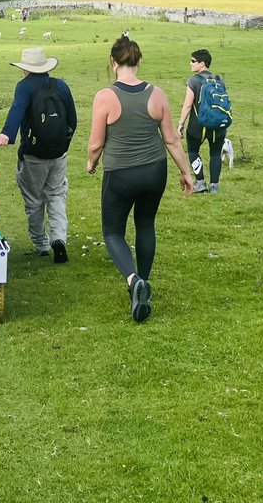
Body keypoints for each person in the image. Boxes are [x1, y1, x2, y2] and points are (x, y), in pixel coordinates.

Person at [86, 37, 195, 322]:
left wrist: (91, 163)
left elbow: (96, 144)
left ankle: (134, 282)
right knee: (145, 223)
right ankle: (144, 282)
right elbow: (171, 140)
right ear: (139, 62)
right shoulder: (156, 94)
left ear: (113, 62)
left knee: (112, 232)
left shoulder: (105, 96)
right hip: (154, 170)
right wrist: (186, 172)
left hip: (120, 173)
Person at [0, 46, 77, 263]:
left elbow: (17, 110)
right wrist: (63, 144)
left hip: (33, 155)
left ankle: (41, 244)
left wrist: (6, 135)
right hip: (59, 154)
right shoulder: (61, 86)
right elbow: (72, 121)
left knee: (34, 200)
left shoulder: (25, 86)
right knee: (57, 195)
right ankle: (59, 238)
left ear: (26, 69)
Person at [178, 48, 229, 194]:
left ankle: (200, 182)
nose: (190, 64)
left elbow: (188, 105)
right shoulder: (219, 80)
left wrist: (180, 124)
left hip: (198, 126)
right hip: (218, 125)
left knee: (193, 151)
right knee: (215, 154)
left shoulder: (194, 81)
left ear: (202, 63)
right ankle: (214, 186)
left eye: (193, 61)